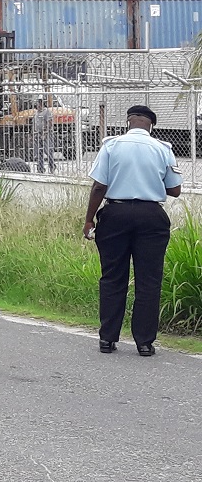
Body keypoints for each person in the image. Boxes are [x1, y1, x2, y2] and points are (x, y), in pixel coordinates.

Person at [83, 105, 182, 356]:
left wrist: (89, 220)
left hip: (115, 214)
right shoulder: (163, 149)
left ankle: (108, 339)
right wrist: (150, 178)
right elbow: (175, 190)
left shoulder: (111, 146)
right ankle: (145, 343)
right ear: (152, 126)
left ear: (129, 122)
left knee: (113, 277)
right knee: (149, 280)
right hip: (151, 217)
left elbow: (98, 186)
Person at [32, 98, 56, 174]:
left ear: (41, 104)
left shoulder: (46, 112)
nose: (36, 105)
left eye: (38, 104)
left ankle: (52, 166)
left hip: (46, 134)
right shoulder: (36, 113)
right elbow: (34, 124)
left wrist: (45, 133)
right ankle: (40, 168)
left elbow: (50, 123)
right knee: (39, 152)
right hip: (38, 134)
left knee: (48, 151)